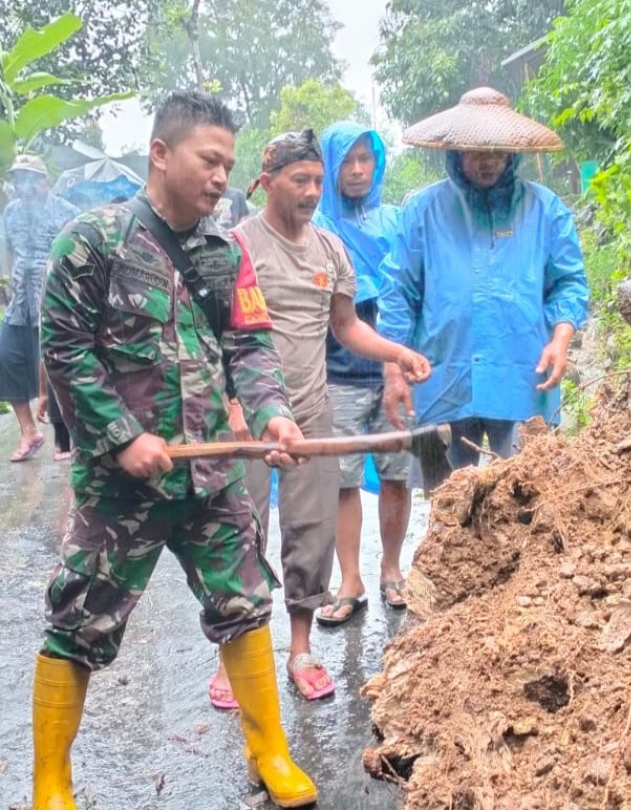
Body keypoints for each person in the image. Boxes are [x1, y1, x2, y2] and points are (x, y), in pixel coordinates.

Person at [30, 90, 317, 810]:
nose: (222, 176)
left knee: (244, 602)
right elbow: (63, 350)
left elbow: (249, 346)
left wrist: (272, 414)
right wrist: (121, 437)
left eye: (229, 163)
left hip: (209, 476)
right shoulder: (92, 241)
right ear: (161, 153)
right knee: (79, 620)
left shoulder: (226, 252)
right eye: (209, 160)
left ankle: (269, 751)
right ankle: (51, 784)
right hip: (119, 487)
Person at [209, 129, 430, 705]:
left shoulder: (330, 250)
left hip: (310, 410)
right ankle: (234, 656)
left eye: (315, 181)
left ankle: (301, 650)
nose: (311, 191)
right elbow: (212, 334)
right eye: (299, 180)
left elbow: (346, 327)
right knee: (241, 532)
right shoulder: (237, 247)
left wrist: (396, 353)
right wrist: (231, 406)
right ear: (268, 181)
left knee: (311, 533)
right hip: (246, 418)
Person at [378, 88, 589, 490]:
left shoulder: (545, 210)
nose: (487, 160)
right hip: (442, 375)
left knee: (530, 496)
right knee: (448, 502)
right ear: (456, 150)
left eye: (497, 151)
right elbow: (398, 292)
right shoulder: (423, 211)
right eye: (477, 151)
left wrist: (561, 339)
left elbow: (569, 283)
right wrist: (393, 371)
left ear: (512, 152)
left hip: (523, 374)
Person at [312, 122, 411, 624]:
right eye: (346, 161)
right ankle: (349, 578)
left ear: (377, 164)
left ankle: (392, 568)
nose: (356, 170)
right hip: (339, 373)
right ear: (330, 167)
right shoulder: (317, 227)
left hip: (397, 372)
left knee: (398, 473)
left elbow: (408, 287)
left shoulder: (395, 222)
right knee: (343, 480)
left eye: (365, 160)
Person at [0, 155, 78, 462]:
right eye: (18, 179)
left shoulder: (67, 212)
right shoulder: (11, 211)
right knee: (5, 358)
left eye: (30, 179)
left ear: (45, 182)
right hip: (20, 301)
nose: (23, 186)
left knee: (57, 364)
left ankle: (66, 437)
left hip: (55, 297)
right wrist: (8, 281)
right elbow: (8, 249)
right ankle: (29, 431)